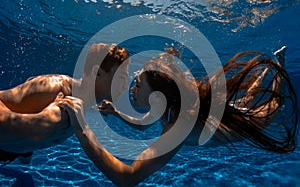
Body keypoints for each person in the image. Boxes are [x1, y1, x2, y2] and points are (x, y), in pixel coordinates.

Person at [57, 46, 298, 186]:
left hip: (242, 128)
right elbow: (143, 126)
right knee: (239, 103)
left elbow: (128, 178)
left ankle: (278, 70)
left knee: (265, 111)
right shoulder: (165, 107)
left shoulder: (179, 126)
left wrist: (83, 129)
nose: (132, 88)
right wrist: (117, 113)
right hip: (217, 118)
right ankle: (267, 72)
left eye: (139, 85)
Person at [0, 43, 129, 164]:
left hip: (16, 150)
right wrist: (39, 123)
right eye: (122, 77)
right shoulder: (54, 91)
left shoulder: (84, 102)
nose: (126, 86)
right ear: (97, 73)